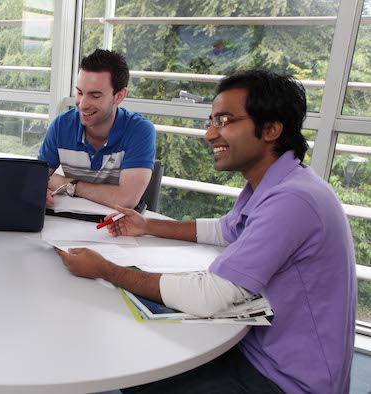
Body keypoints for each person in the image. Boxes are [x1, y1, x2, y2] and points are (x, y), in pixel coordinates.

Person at [55, 70, 356, 393]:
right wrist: (148, 225)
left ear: (271, 129)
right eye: (211, 122)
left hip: (285, 380)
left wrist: (105, 269)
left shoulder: (293, 200)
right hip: (256, 347)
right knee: (144, 356)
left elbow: (210, 296)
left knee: (139, 369)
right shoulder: (279, 183)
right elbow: (227, 229)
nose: (210, 135)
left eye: (224, 121)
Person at [39, 49, 156, 210]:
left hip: (117, 229)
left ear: (119, 96)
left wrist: (69, 185)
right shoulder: (62, 125)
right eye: (79, 92)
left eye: (95, 96)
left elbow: (127, 200)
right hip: (67, 223)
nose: (83, 103)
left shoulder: (140, 130)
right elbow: (36, 180)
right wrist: (38, 190)